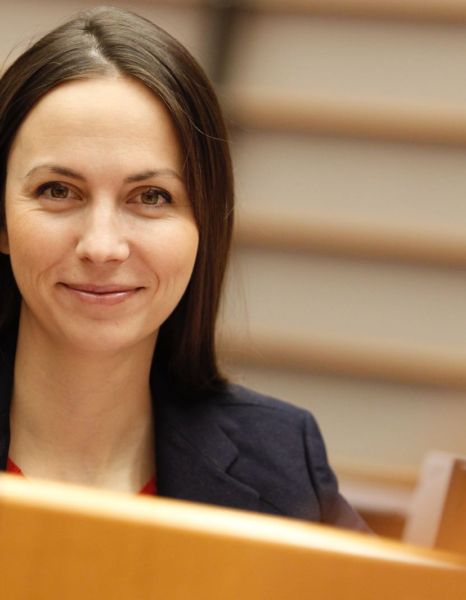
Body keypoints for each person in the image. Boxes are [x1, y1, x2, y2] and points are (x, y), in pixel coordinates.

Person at [0, 6, 367, 531]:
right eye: (57, 191)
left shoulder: (280, 461)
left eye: (151, 196)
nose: (102, 246)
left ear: (203, 226)